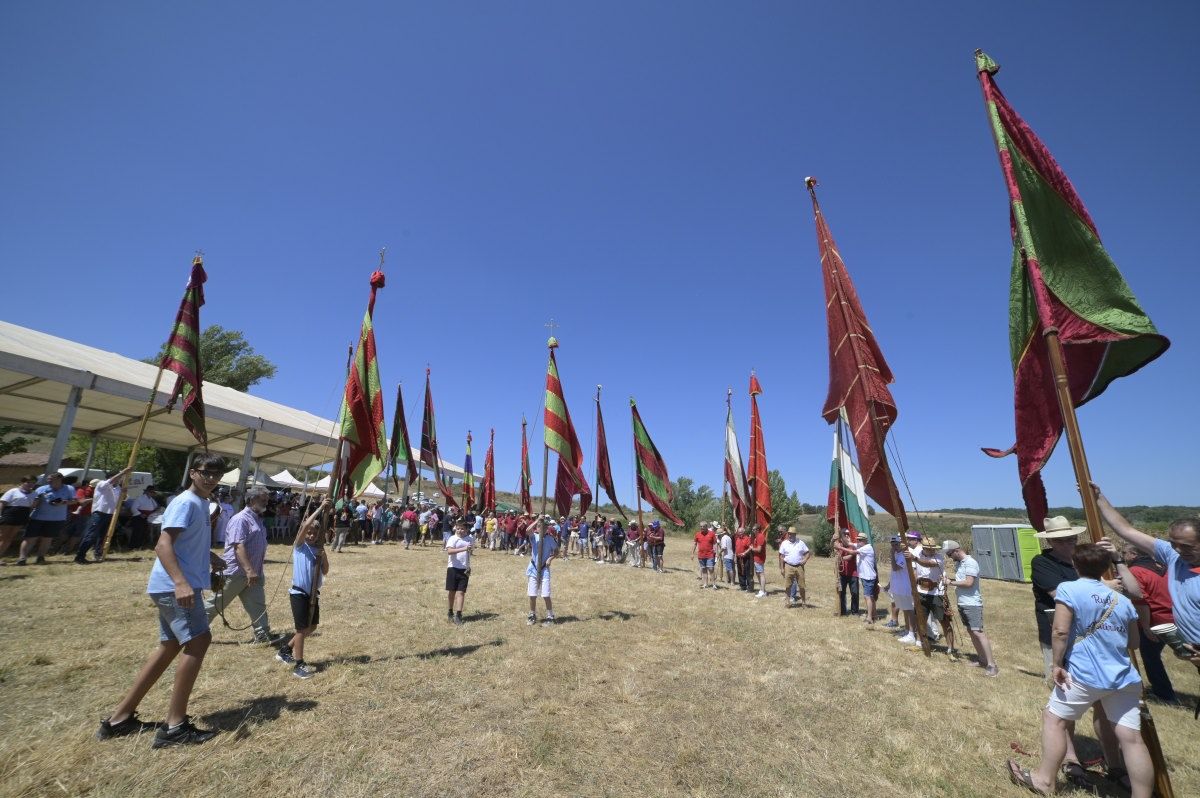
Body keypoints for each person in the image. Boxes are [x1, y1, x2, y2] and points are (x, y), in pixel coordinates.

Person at [96, 454, 229, 747]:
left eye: (217, 473)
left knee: (169, 646)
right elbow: (163, 544)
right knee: (199, 641)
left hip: (177, 583)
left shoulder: (202, 504)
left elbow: (184, 543)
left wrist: (210, 557)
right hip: (175, 585)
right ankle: (175, 727)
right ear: (193, 472)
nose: (211, 478)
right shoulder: (186, 502)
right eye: (206, 472)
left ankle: (119, 719)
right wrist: (181, 582)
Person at [1005, 542, 1152, 798]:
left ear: (1075, 565)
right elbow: (1133, 643)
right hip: (1123, 676)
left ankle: (1044, 780)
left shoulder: (1069, 589)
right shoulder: (1122, 600)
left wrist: (1056, 664)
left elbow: (1060, 631)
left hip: (1085, 673)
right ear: (1106, 567)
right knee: (1131, 739)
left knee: (1055, 719)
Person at [1092, 484, 1200, 666]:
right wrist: (1098, 497)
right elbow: (1126, 531)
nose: (1179, 550)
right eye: (1174, 544)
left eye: (1187, 546)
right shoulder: (1174, 556)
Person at [204, 486, 279, 644]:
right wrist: (249, 570)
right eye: (263, 500)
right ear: (251, 500)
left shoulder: (257, 519)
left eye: (267, 500)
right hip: (237, 572)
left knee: (257, 604)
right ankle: (192, 631)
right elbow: (238, 546)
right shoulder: (240, 519)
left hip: (254, 573)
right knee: (216, 604)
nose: (267, 503)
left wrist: (254, 572)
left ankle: (263, 634)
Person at [1107, 540, 1178, 703]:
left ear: (1134, 554)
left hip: (1155, 619)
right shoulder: (1163, 567)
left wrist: (1146, 626)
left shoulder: (1135, 572)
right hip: (1175, 616)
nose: (1123, 556)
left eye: (1124, 553)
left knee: (1151, 657)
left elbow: (1141, 601)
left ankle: (1164, 694)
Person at [277, 500, 331, 680]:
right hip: (299, 593)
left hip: (312, 594)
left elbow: (325, 571)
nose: (311, 535)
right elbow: (307, 524)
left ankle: (286, 650)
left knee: (312, 626)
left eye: (314, 534)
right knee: (301, 629)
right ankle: (299, 665)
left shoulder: (317, 549)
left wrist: (322, 556)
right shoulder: (299, 546)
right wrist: (322, 509)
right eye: (308, 532)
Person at [942, 540, 998, 676]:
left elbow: (969, 582)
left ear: (956, 550)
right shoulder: (960, 563)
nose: (949, 557)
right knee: (971, 632)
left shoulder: (970, 563)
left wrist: (950, 582)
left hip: (972, 603)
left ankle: (992, 665)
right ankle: (982, 660)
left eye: (949, 554)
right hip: (963, 602)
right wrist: (949, 580)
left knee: (978, 632)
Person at [909, 536, 956, 657]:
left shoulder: (938, 557)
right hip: (921, 592)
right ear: (924, 548)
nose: (931, 551)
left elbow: (928, 564)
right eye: (928, 549)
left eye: (932, 548)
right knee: (921, 619)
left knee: (944, 621)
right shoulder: (918, 553)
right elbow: (913, 565)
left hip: (936, 593)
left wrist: (915, 559)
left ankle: (950, 648)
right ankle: (920, 643)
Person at [74, 467, 133, 564]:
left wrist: (124, 492)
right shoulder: (102, 484)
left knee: (102, 536)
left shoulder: (117, 488)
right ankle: (80, 556)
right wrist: (123, 472)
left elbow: (120, 500)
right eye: (118, 477)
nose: (120, 479)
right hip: (99, 513)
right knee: (91, 535)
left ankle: (98, 554)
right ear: (111, 477)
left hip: (110, 514)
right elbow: (111, 481)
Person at [18, 471, 76, 565]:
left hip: (57, 519)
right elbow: (33, 503)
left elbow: (74, 501)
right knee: (30, 538)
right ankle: (22, 558)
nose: (48, 481)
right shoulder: (42, 488)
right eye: (48, 479)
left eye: (51, 479)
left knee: (47, 539)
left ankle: (40, 557)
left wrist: (63, 503)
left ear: (59, 479)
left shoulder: (69, 488)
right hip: (37, 517)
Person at [885, 536, 918, 644]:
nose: (894, 546)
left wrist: (891, 554)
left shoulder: (904, 555)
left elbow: (896, 568)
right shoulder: (896, 554)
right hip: (898, 587)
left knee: (909, 610)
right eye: (892, 544)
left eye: (896, 544)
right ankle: (907, 630)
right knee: (905, 609)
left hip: (905, 587)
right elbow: (893, 572)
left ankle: (912, 634)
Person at [526, 517, 558, 626]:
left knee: (545, 594)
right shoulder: (534, 537)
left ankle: (550, 615)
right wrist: (537, 520)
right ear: (538, 527)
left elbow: (556, 551)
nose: (543, 529)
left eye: (545, 527)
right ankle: (532, 614)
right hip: (534, 568)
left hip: (544, 569)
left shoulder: (550, 539)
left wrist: (550, 558)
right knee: (532, 594)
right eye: (540, 527)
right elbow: (527, 530)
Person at [445, 518, 474, 625]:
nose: (460, 531)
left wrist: (469, 550)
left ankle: (459, 614)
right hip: (453, 568)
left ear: (466, 529)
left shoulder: (470, 539)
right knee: (451, 592)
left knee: (461, 592)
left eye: (462, 529)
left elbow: (470, 552)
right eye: (458, 528)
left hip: (464, 569)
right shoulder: (453, 538)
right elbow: (449, 551)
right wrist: (464, 548)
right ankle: (450, 612)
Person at [778, 527, 811, 607]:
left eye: (792, 534)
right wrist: (782, 568)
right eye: (789, 534)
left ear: (795, 534)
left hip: (799, 566)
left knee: (802, 586)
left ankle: (803, 602)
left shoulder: (801, 543)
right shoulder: (784, 543)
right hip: (788, 566)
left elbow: (807, 553)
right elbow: (781, 556)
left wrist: (805, 559)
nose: (790, 535)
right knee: (788, 585)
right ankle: (788, 602)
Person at [834, 530, 860, 616]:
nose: (847, 536)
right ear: (841, 536)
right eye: (845, 534)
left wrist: (840, 558)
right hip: (842, 573)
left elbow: (851, 556)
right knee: (842, 593)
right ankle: (843, 611)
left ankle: (855, 611)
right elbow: (833, 547)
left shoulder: (852, 545)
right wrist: (833, 540)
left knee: (855, 592)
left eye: (848, 534)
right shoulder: (839, 544)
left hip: (853, 573)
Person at [128, 485, 159, 549]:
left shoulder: (151, 499)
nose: (152, 494)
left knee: (143, 532)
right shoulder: (140, 498)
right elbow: (133, 508)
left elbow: (155, 507)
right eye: (151, 492)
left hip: (147, 517)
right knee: (137, 532)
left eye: (153, 492)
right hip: (138, 517)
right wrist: (140, 514)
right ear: (147, 492)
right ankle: (132, 546)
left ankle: (139, 546)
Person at [692, 522, 718, 589]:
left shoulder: (712, 534)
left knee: (711, 569)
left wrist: (717, 553)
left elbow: (715, 544)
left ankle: (714, 585)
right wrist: (692, 553)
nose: (702, 528)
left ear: (706, 527)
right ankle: (705, 584)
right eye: (701, 526)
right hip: (701, 555)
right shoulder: (697, 534)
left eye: (703, 526)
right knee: (704, 569)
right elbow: (695, 544)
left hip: (710, 554)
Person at [749, 524, 768, 597]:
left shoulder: (760, 536)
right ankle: (762, 589)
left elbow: (759, 549)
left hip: (759, 558)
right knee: (758, 574)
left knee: (761, 574)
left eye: (754, 530)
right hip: (756, 558)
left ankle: (763, 591)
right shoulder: (757, 537)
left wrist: (752, 549)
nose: (753, 531)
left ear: (757, 530)